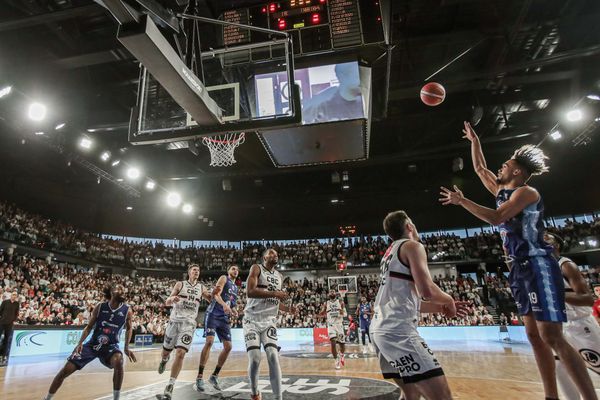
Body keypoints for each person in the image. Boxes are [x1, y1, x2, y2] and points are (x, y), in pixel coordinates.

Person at [439, 121, 597, 400]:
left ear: (517, 171)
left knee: (552, 337)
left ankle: (589, 397)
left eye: (505, 164)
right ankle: (551, 395)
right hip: (517, 269)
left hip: (538, 264)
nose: (500, 167)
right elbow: (480, 169)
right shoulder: (501, 192)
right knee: (534, 336)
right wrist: (474, 141)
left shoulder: (527, 193)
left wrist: (463, 201)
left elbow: (498, 217)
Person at [372, 211, 468, 400]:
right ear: (409, 226)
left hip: (380, 331)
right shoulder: (412, 246)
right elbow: (427, 291)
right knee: (443, 396)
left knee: (412, 394)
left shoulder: (389, 253)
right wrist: (448, 300)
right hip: (397, 332)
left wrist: (440, 308)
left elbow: (409, 301)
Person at [42, 285, 135, 400]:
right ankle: (47, 398)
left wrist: (126, 347)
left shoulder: (127, 310)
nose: (122, 291)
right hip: (92, 345)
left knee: (119, 361)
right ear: (111, 292)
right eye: (119, 289)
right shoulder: (100, 307)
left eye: (123, 290)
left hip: (110, 347)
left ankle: (116, 398)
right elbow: (89, 326)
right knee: (65, 370)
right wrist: (80, 343)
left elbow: (130, 328)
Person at [545, 232, 600, 399]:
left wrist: (557, 295)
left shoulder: (566, 265)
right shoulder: (543, 269)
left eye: (548, 237)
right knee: (561, 372)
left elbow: (588, 299)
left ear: (557, 245)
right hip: (558, 328)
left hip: (580, 324)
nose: (543, 239)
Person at [243, 249, 295, 400]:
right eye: (271, 253)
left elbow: (275, 302)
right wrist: (274, 293)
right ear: (264, 257)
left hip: (269, 321)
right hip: (251, 320)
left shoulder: (279, 276)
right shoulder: (256, 268)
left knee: (273, 355)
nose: (275, 255)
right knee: (254, 359)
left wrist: (288, 309)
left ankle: (278, 397)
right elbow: (250, 292)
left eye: (277, 254)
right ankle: (254, 393)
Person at [158, 264, 211, 400]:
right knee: (166, 351)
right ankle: (164, 359)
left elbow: (211, 300)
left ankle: (170, 385)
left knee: (181, 353)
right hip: (174, 321)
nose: (197, 272)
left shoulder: (201, 288)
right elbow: (168, 302)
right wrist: (172, 299)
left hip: (189, 324)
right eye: (194, 270)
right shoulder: (180, 284)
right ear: (189, 272)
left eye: (198, 270)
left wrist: (217, 295)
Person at [196, 265, 240, 392]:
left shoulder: (235, 287)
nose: (235, 270)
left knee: (228, 347)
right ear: (228, 271)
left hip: (224, 318)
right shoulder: (224, 278)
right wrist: (224, 306)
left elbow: (232, 303)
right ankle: (199, 377)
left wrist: (234, 310)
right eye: (233, 268)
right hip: (213, 314)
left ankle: (214, 376)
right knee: (209, 342)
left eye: (236, 269)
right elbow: (216, 295)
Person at [319, 289, 347, 369]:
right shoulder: (326, 303)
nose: (331, 292)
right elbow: (322, 313)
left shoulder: (341, 302)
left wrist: (341, 312)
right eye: (330, 291)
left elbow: (345, 314)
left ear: (336, 293)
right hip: (331, 325)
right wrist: (320, 313)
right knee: (333, 342)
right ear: (328, 294)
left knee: (342, 344)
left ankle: (342, 354)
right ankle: (336, 360)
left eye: (333, 291)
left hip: (339, 325)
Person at [0, 291, 20, 364]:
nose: (14, 296)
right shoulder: (5, 302)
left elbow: (16, 313)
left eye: (15, 295)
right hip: (2, 323)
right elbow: (0, 311)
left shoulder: (17, 304)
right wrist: (3, 318)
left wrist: (13, 320)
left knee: (6, 340)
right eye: (13, 295)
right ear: (11, 295)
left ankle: (4, 355)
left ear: (16, 296)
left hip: (9, 324)